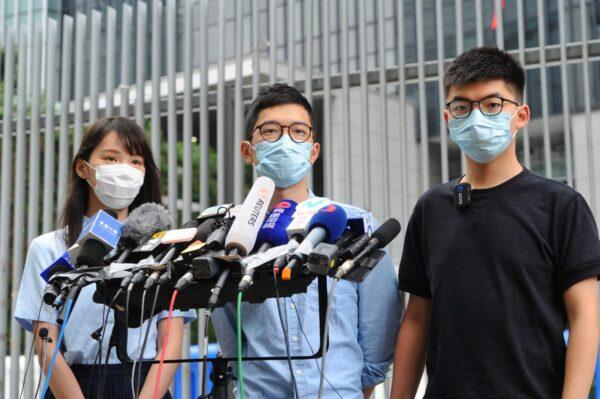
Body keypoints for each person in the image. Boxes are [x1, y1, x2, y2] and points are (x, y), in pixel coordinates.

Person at [391, 47, 600, 398]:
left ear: (521, 115)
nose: (476, 116)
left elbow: (585, 317)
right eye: (462, 106)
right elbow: (416, 319)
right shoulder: (431, 208)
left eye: (491, 105)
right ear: (448, 119)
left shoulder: (560, 206)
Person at [211, 83, 403, 398]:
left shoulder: (356, 226)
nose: (286, 140)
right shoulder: (231, 235)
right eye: (271, 131)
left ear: (313, 151)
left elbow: (377, 339)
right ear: (248, 150)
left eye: (299, 131)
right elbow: (230, 336)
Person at [14, 117, 196, 398]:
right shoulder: (48, 247)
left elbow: (170, 342)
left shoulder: (165, 248)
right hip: (72, 385)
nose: (125, 169)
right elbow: (45, 343)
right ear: (82, 167)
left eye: (136, 161)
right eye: (111, 158)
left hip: (144, 384)